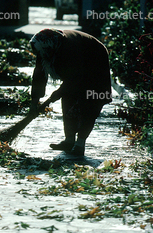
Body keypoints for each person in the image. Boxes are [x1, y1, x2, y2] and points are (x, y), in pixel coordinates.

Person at [30, 28, 112, 156]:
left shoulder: (69, 48)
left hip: (95, 60)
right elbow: (39, 75)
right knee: (68, 99)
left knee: (89, 102)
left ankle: (80, 144)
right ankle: (69, 141)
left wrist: (56, 94)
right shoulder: (44, 47)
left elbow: (74, 79)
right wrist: (34, 101)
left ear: (49, 47)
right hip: (77, 65)